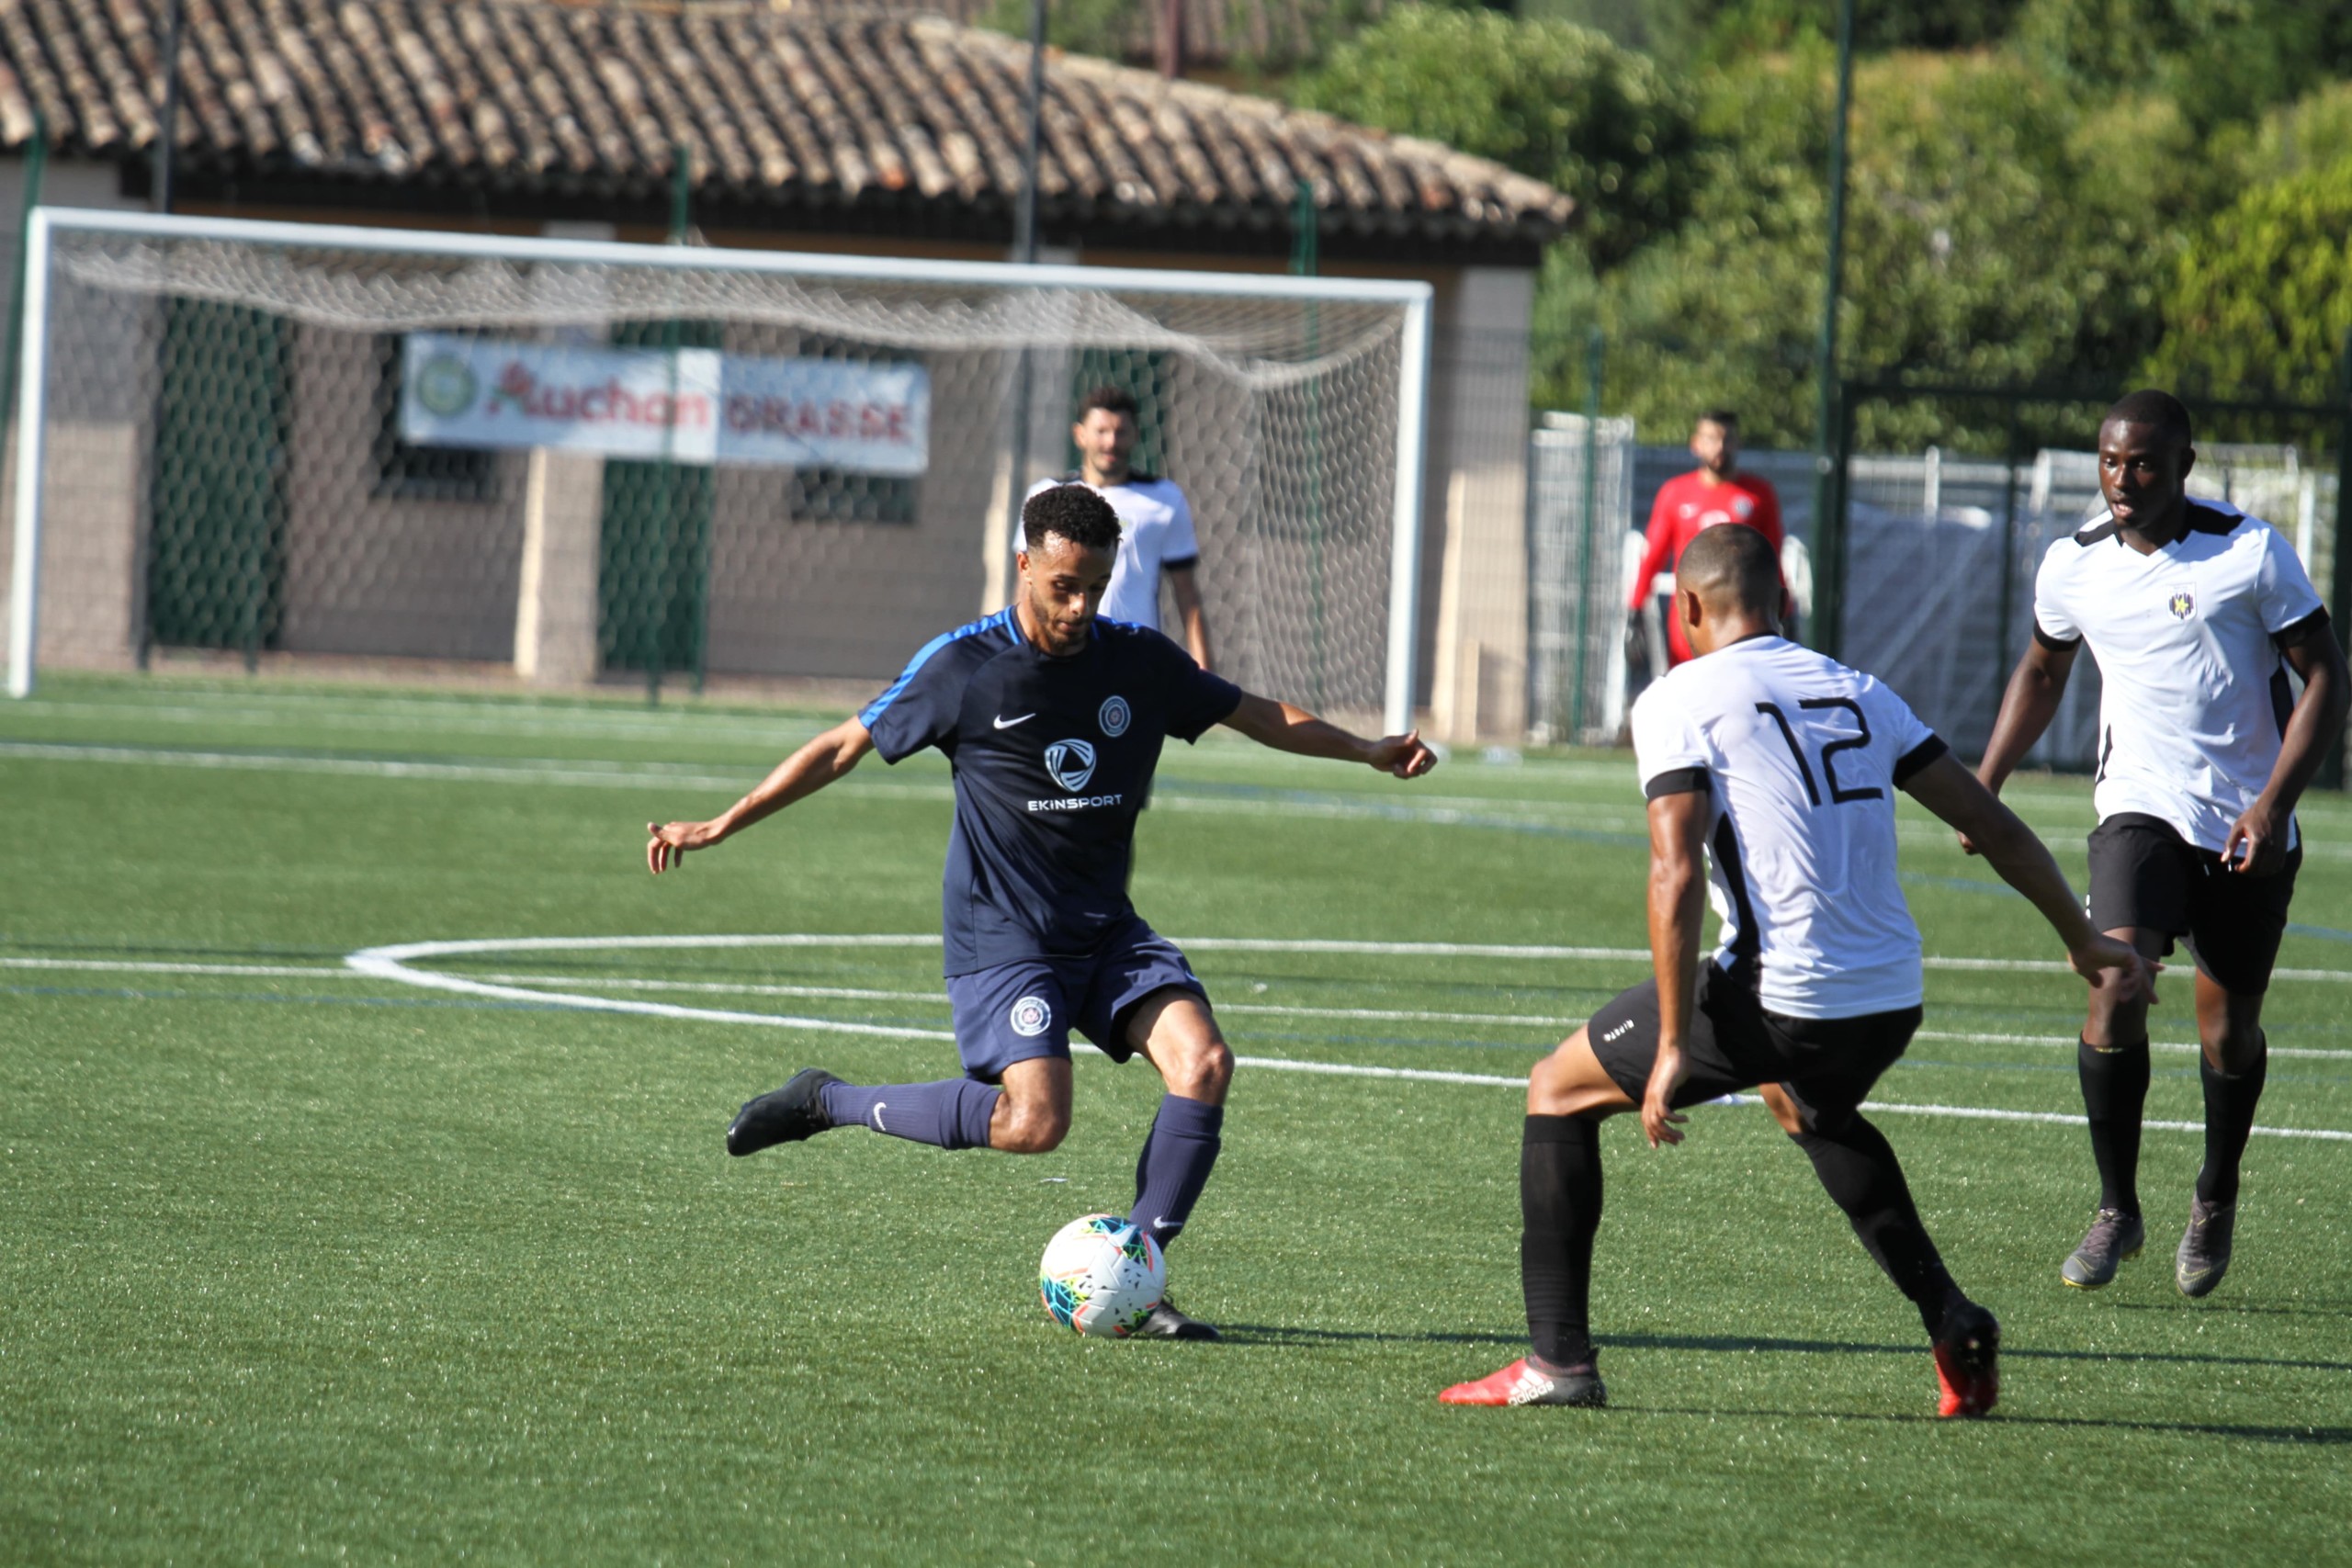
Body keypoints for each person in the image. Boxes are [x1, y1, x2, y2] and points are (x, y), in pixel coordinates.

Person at [648, 484, 1435, 1339]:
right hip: (1002, 934)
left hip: (1105, 928)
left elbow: (1251, 713)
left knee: (1204, 1062)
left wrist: (1365, 748)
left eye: (1096, 587)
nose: (1080, 605)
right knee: (1035, 1122)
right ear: (1024, 565)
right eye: (1064, 585)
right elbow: (845, 743)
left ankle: (1139, 1273)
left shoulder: (1138, 659)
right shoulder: (965, 666)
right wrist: (724, 821)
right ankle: (826, 1100)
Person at [1440, 525, 2149, 1416]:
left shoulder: (1677, 697)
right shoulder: (1856, 687)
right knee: (1803, 1103)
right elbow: (1993, 825)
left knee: (1555, 1087)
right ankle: (1952, 1321)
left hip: (1788, 997)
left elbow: (1676, 870)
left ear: (1686, 606)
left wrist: (1669, 1043)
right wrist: (2081, 940)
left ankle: (1557, 1364)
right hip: (1892, 995)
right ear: (1782, 601)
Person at [1968, 389, 2346, 1299]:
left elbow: (2327, 676)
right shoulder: (2072, 564)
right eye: (2108, 461)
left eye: (2140, 463)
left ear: (2181, 463)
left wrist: (2268, 806)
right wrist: (1983, 785)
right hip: (2135, 808)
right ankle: (2114, 1209)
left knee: (2228, 1028)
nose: (2121, 480)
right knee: (2114, 983)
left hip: (2243, 825)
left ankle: (2214, 1193)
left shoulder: (2249, 552)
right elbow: (2041, 669)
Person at [1023, 386, 1213, 670]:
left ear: (1136, 435)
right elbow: (1024, 587)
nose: (1111, 442)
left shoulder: (1164, 499)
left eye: (1120, 432)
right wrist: (1020, 655)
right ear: (1080, 435)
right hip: (1060, 655)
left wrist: (1205, 675)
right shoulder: (1045, 495)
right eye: (1101, 431)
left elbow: (1188, 595)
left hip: (1134, 661)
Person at [1629, 410, 1784, 668]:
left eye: (1727, 439)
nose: (1720, 447)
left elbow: (1773, 556)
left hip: (1743, 619)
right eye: (1711, 439)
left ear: (1737, 443)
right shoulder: (1675, 493)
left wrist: (1784, 610)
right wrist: (1634, 610)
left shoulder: (1759, 494)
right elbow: (1653, 556)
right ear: (1696, 444)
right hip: (1690, 616)